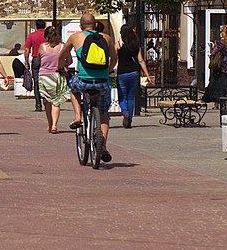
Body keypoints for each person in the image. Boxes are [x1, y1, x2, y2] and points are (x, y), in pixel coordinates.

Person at [59, 12, 117, 163]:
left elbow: (62, 54)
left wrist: (61, 68)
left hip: (83, 80)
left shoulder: (75, 37)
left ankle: (78, 116)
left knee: (73, 88)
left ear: (81, 26)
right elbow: (114, 58)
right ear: (96, 24)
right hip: (102, 82)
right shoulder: (106, 38)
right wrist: (109, 70)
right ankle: (102, 145)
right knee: (104, 113)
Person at [116, 24, 150, 129]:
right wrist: (147, 74)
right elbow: (140, 60)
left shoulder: (118, 45)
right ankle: (129, 120)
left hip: (122, 73)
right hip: (134, 73)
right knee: (131, 98)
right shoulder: (136, 45)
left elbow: (114, 58)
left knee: (122, 97)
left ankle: (125, 112)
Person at [37, 26, 69, 133]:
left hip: (44, 77)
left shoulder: (42, 47)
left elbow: (38, 60)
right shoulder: (62, 47)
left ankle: (50, 124)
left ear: (46, 36)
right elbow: (69, 60)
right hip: (57, 75)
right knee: (56, 102)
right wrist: (63, 65)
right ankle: (55, 125)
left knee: (47, 101)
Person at [204, 25, 227, 107]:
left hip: (221, 68)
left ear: (223, 33)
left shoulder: (219, 43)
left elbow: (213, 53)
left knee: (220, 86)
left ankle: (219, 102)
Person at [24, 21, 47, 113]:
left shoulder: (32, 36)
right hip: (46, 58)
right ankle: (47, 101)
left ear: (36, 26)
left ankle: (38, 104)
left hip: (35, 59)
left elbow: (26, 49)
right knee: (47, 79)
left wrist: (26, 62)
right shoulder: (47, 35)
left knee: (37, 82)